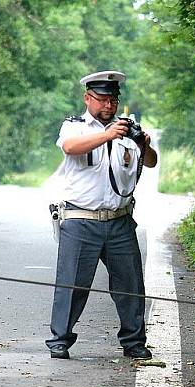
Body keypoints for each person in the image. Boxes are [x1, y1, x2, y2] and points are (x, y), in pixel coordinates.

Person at [45, 70, 157, 360]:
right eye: (103, 99)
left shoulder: (125, 131)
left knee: (130, 284)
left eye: (113, 100)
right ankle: (60, 339)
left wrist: (142, 142)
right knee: (73, 283)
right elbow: (70, 148)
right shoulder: (76, 127)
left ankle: (134, 342)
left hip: (119, 219)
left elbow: (152, 162)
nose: (108, 106)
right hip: (81, 219)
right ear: (88, 98)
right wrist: (105, 135)